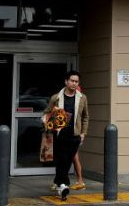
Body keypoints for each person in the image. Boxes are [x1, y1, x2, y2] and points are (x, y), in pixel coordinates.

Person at [43, 70, 89, 200]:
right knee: (62, 159)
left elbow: (85, 117)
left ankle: (59, 184)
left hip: (75, 135)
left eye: (76, 81)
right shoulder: (56, 97)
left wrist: (83, 133)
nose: (74, 83)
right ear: (66, 81)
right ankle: (64, 185)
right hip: (60, 134)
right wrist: (48, 122)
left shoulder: (82, 98)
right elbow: (46, 113)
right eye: (72, 81)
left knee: (68, 160)